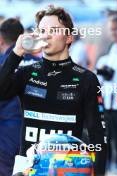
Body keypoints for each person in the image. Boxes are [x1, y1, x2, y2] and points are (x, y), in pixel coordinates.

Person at [0, 6, 106, 175]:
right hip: (28, 168)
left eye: (54, 30)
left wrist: (98, 173)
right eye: (42, 30)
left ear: (69, 37)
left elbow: (97, 136)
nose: (46, 34)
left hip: (68, 169)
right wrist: (17, 52)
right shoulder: (26, 73)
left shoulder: (87, 79)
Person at [0, 18, 41, 176]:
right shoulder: (39, 64)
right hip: (34, 136)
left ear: (1, 39)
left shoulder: (3, 64)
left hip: (5, 137)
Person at [96, 14, 117, 173]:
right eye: (111, 30)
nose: (114, 33)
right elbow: (101, 77)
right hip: (107, 104)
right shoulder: (111, 50)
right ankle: (106, 168)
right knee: (106, 138)